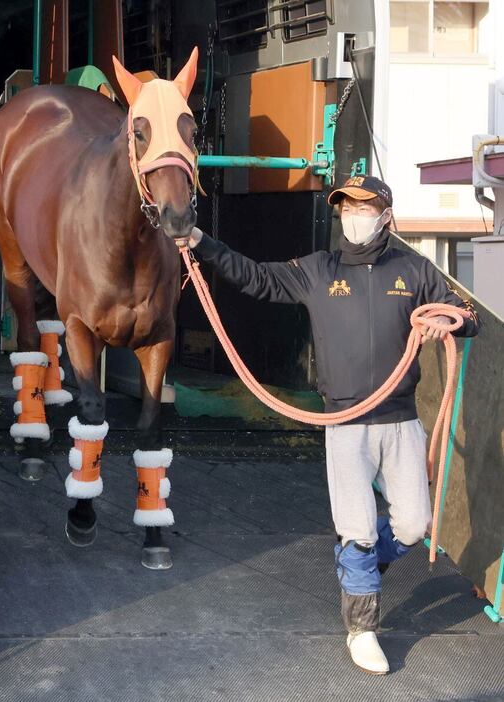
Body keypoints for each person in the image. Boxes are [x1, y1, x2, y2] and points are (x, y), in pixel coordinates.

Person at [182, 175, 479, 675]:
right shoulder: (318, 270)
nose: (353, 216)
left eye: (364, 207)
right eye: (345, 206)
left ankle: (359, 567)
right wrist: (201, 243)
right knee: (357, 526)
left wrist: (449, 321)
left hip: (400, 418)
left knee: (413, 523)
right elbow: (256, 276)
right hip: (345, 422)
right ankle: (362, 626)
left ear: (385, 214)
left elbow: (469, 314)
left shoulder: (415, 268)